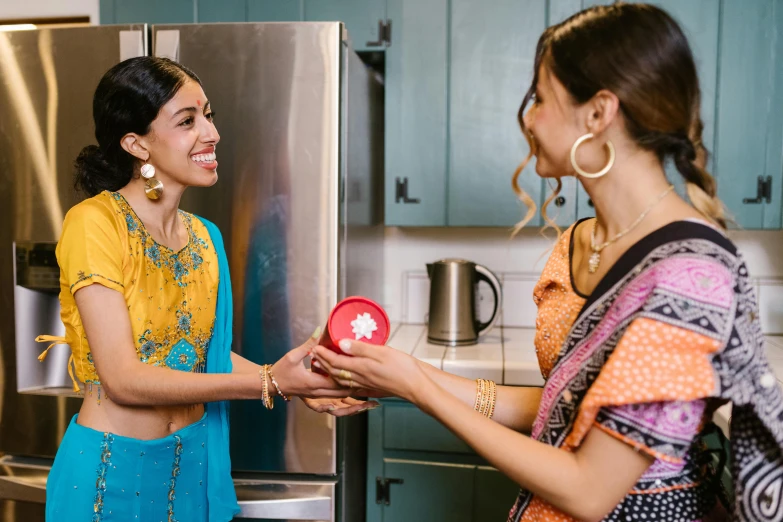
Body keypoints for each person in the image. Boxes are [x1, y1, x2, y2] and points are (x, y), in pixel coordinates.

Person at [312, 4, 783, 521]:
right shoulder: (584, 243)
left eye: (539, 97)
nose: (528, 118)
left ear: (599, 113)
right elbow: (563, 407)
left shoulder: (690, 278)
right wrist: (399, 372)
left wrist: (419, 390)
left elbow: (589, 490)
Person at [36, 56, 368, 521]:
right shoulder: (96, 223)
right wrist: (271, 381)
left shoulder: (206, 236)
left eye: (208, 115)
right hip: (110, 477)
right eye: (187, 121)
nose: (211, 133)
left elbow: (200, 354)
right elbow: (124, 379)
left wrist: (294, 380)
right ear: (136, 143)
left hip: (191, 468)